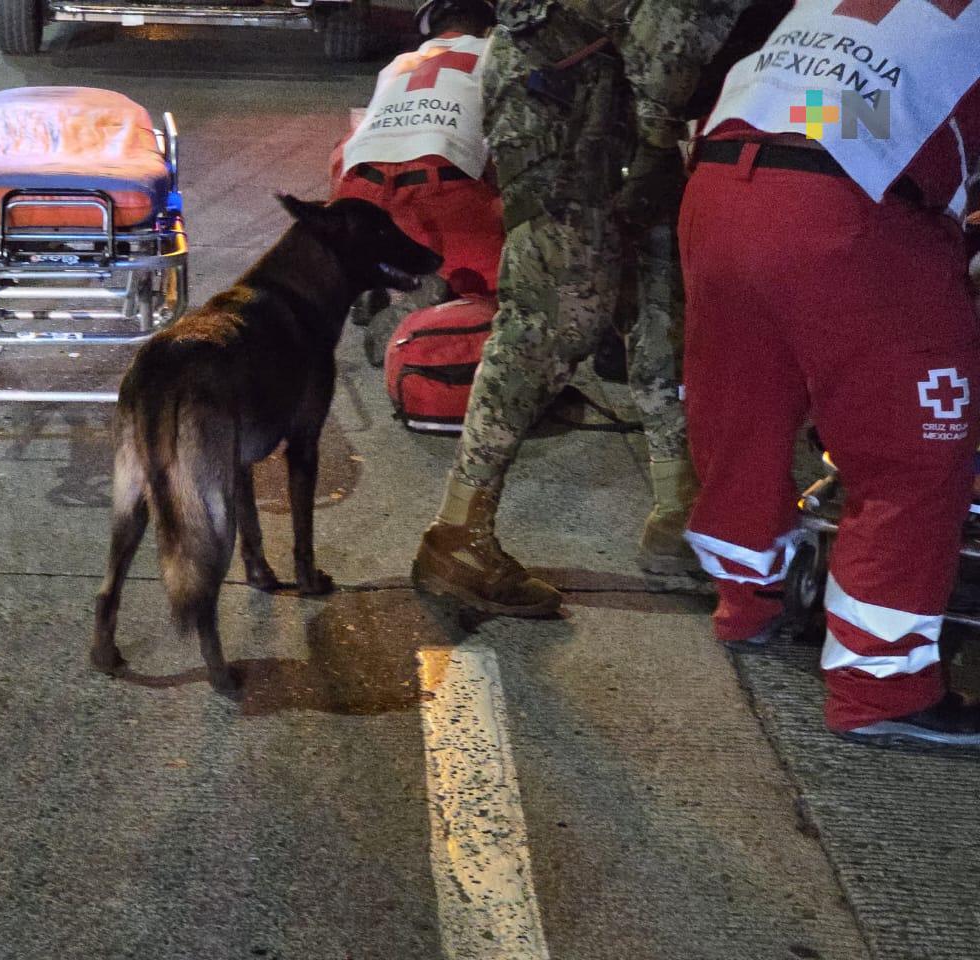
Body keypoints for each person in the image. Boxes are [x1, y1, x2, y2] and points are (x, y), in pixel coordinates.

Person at [680, 0, 980, 746]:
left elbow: (848, 104)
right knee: (915, 453)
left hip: (722, 189)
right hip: (840, 218)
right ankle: (882, 686)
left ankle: (747, 602)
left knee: (743, 416)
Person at [410, 0, 756, 616]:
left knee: (660, 304)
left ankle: (679, 514)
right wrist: (653, 144)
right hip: (558, 100)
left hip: (620, 94)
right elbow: (669, 35)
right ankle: (457, 534)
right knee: (555, 316)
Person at [329, 0, 503, 363]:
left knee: (350, 145)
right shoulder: (498, 55)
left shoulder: (397, 65)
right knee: (498, 289)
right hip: (440, 197)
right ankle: (414, 301)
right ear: (489, 27)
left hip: (360, 196)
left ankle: (374, 269)